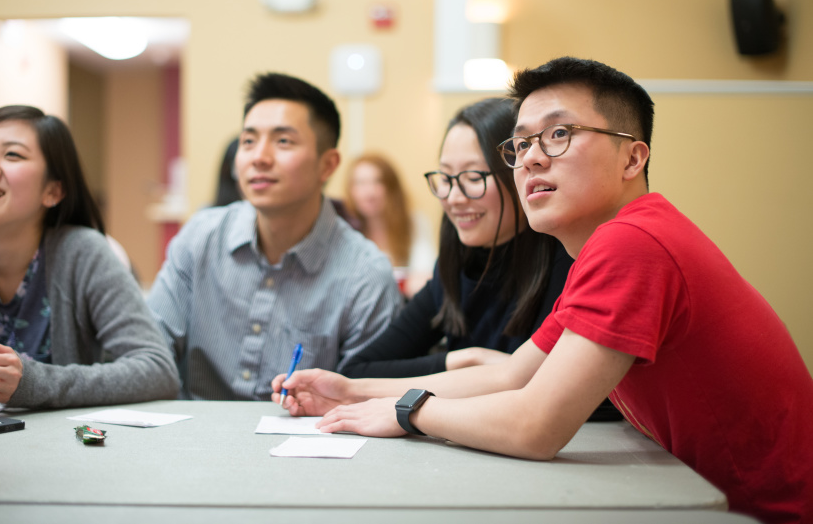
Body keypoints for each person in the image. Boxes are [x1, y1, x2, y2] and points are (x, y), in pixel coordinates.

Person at [273, 57, 813, 524]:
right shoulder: (603, 249)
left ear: (633, 158)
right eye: (522, 142)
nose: (530, 158)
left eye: (559, 134)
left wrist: (407, 409)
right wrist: (354, 391)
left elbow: (535, 426)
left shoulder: (635, 243)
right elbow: (512, 374)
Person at [148, 72, 401, 401]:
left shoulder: (365, 276)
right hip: (189, 442)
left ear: (328, 165)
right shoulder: (199, 238)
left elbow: (364, 403)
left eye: (283, 141)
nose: (259, 158)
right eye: (248, 141)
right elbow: (148, 354)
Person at [0, 105, 179, 409]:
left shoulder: (82, 253)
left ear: (53, 191)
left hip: (52, 450)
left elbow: (158, 371)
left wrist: (33, 382)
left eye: (12, 155)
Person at [340, 99, 572, 378]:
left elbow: (552, 386)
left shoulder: (567, 261)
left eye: (473, 176)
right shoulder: (455, 266)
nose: (453, 198)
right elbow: (359, 369)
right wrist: (465, 360)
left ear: (521, 172)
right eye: (446, 178)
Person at [345, 153, 436, 298]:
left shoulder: (414, 223)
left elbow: (424, 275)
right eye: (360, 183)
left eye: (377, 182)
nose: (369, 192)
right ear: (351, 190)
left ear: (391, 187)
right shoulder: (345, 229)